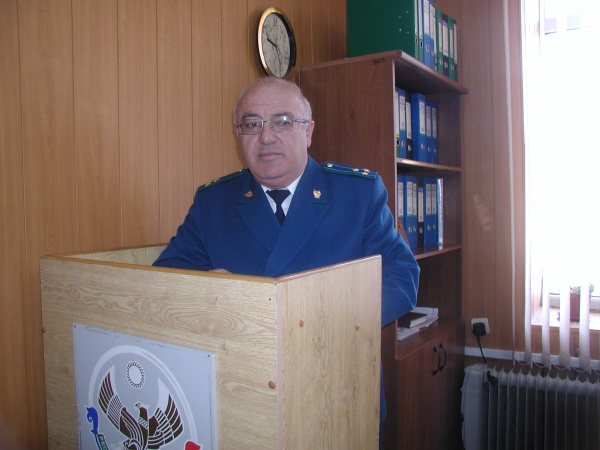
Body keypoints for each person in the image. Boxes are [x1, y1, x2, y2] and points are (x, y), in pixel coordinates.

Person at [153, 76, 419, 327]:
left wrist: (325, 322)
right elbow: (165, 279)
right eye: (252, 124)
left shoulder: (357, 194)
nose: (266, 137)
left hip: (330, 349)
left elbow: (400, 276)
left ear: (308, 132)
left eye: (282, 122)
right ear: (238, 136)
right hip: (242, 354)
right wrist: (211, 292)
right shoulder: (213, 203)